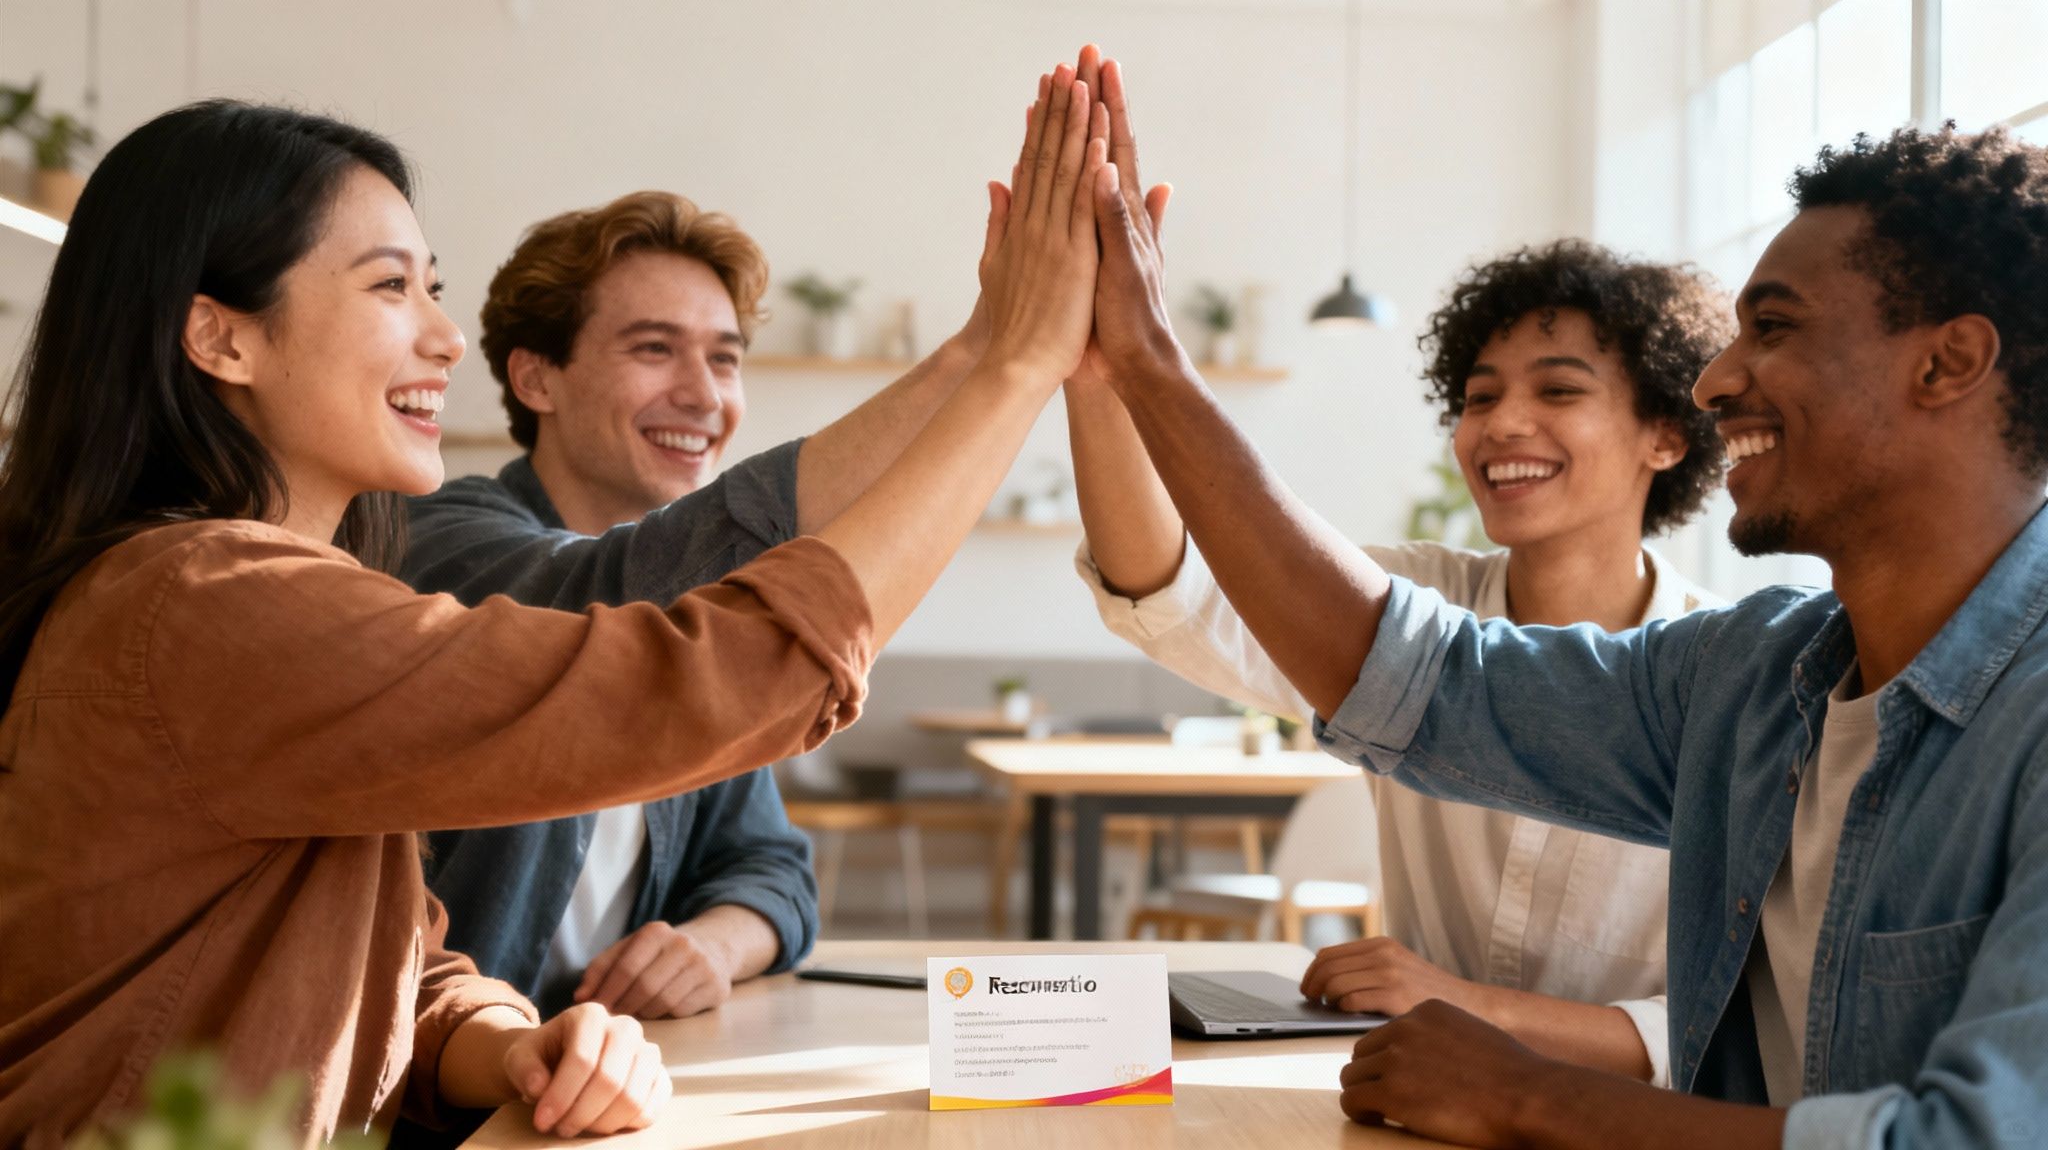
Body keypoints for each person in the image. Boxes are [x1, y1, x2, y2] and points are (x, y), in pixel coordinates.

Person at [0, 65, 1110, 1147]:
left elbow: (383, 958)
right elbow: (683, 675)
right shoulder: (206, 604)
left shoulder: (228, 595)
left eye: (431, 286)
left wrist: (509, 1042)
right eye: (391, 288)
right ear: (220, 337)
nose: (441, 337)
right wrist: (1009, 369)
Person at [1078, 106, 2048, 1147]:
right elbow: (1417, 681)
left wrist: (1522, 1093)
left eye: (1770, 328)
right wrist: (1135, 364)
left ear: (1946, 364)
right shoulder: (1752, 676)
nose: (1717, 380)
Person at [1070, 235, 1730, 1085]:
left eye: (1559, 389)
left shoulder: (1729, 674)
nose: (1501, 424)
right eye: (1478, 396)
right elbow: (1172, 594)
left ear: (1668, 437)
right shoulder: (1406, 603)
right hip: (1416, 1108)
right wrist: (1093, 375)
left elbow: (1727, 1026)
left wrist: (1460, 1003)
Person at [400, 189, 1004, 1024]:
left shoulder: (695, 613)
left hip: (601, 1089)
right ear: (536, 376)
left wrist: (714, 943)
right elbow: (596, 598)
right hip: (433, 1117)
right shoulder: (443, 541)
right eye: (655, 349)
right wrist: (984, 351)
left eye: (724, 359)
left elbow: (772, 868)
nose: (704, 395)